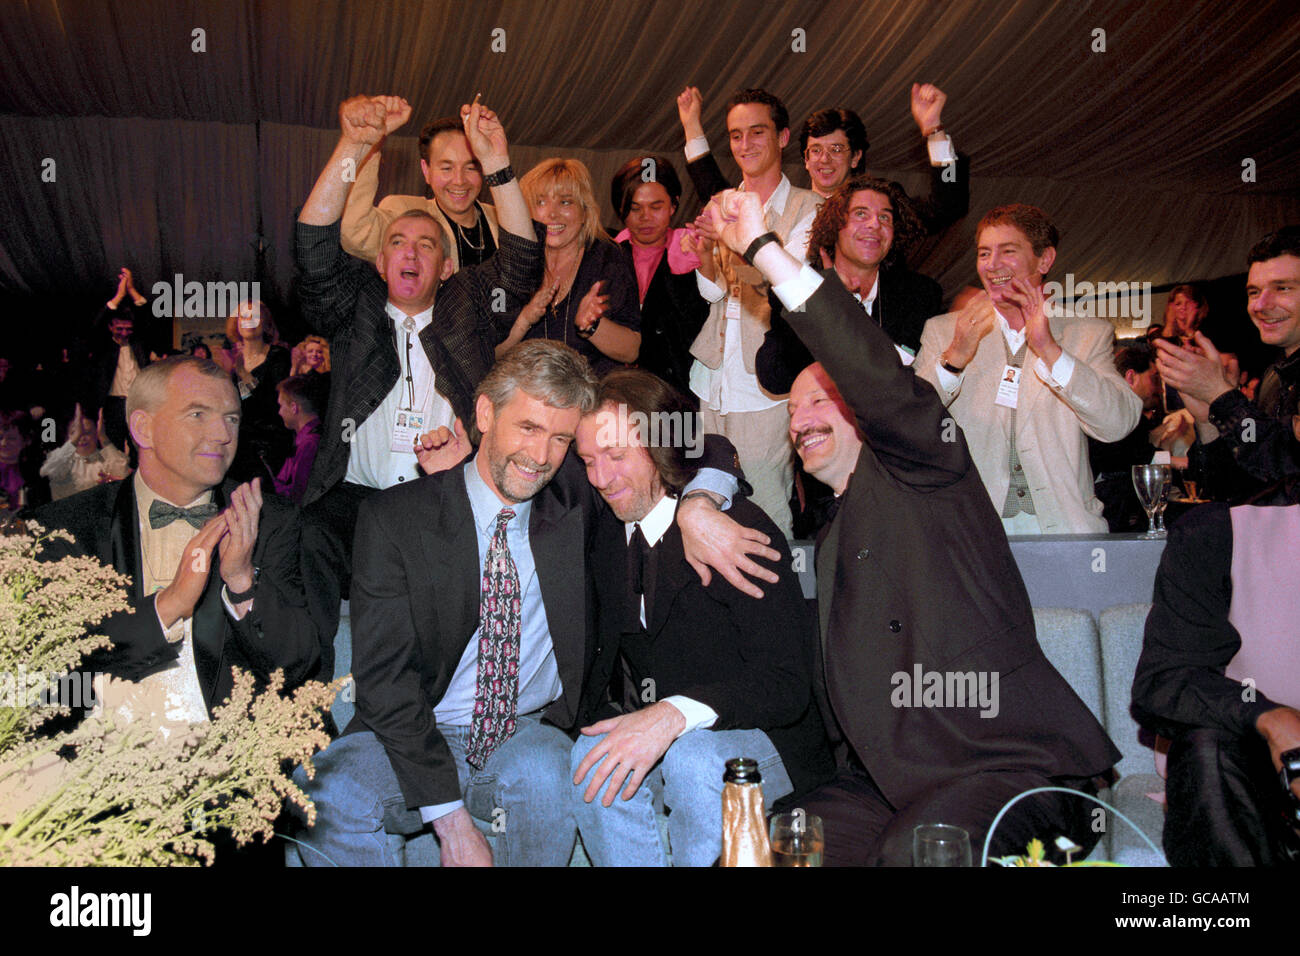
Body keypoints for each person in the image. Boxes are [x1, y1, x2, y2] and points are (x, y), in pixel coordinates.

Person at [705, 187, 1118, 865]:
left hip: (1010, 770)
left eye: (820, 401)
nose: (798, 418)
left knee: (919, 851)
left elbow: (878, 378)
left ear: (865, 414)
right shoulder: (832, 537)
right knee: (759, 850)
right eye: (790, 410)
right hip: (884, 786)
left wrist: (766, 252)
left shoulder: (929, 472)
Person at [290, 341, 756, 867]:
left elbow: (701, 441)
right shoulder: (394, 519)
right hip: (417, 730)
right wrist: (452, 825)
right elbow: (386, 683)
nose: (540, 456)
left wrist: (699, 504)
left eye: (560, 438)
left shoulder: (579, 500)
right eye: (529, 428)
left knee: (549, 774)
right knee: (327, 792)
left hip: (525, 731)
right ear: (484, 412)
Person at [294, 95, 542, 671]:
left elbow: (524, 263)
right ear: (380, 263)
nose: (411, 253)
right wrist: (354, 146)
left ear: (448, 266)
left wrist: (498, 162)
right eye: (398, 244)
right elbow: (312, 246)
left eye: (427, 245)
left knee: (429, 634)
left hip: (438, 499)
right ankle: (302, 706)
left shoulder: (467, 306)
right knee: (303, 537)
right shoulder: (355, 303)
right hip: (351, 503)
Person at [570, 369, 830, 866]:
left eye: (618, 456)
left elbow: (785, 686)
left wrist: (674, 716)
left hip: (768, 732)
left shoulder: (734, 530)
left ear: (662, 445)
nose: (602, 479)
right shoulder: (604, 530)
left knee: (695, 761)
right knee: (589, 760)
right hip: (662, 723)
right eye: (588, 461)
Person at [34, 357, 319, 731]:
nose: (222, 434)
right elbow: (50, 680)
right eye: (198, 415)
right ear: (143, 428)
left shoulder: (270, 521)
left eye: (232, 418)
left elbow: (298, 665)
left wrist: (241, 583)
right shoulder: (66, 529)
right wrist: (168, 607)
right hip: (98, 755)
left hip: (228, 760)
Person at [915, 204, 1141, 533]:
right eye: (983, 253)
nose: (992, 265)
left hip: (1064, 528)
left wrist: (1050, 350)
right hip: (972, 532)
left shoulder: (1087, 331)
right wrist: (954, 358)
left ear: (1045, 259)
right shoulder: (943, 331)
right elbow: (911, 425)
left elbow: (1117, 424)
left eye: (1008, 251)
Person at [679, 88, 822, 539]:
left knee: (765, 509)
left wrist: (734, 239)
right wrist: (704, 253)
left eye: (756, 132)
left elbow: (783, 288)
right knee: (709, 497)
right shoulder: (721, 203)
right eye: (736, 136)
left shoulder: (810, 208)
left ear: (781, 137)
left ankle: (777, 605)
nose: (745, 145)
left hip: (767, 384)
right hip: (714, 377)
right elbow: (711, 293)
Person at [1131, 494, 1300, 865]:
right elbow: (1168, 678)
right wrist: (1272, 718)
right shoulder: (1220, 530)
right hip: (1256, 779)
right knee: (1208, 745)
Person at [676, 83, 968, 236]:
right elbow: (716, 191)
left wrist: (933, 130)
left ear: (856, 157)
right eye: (815, 151)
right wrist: (692, 127)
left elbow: (948, 206)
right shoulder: (789, 204)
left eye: (837, 150)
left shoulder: (879, 206)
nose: (824, 160)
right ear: (803, 159)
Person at [756, 175, 943, 392]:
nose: (874, 224)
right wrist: (828, 304)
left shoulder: (919, 296)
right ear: (835, 226)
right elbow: (775, 378)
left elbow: (922, 382)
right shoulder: (802, 290)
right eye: (861, 214)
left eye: (884, 217)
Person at [1156, 226, 1300, 500]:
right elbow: (1237, 488)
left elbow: (1286, 472)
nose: (1261, 305)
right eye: (1254, 292)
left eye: (1282, 288)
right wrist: (1207, 418)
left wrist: (1221, 396)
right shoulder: (1274, 375)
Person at [493, 158, 641, 375]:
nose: (552, 214)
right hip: (526, 396)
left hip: (591, 396)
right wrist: (523, 320)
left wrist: (592, 326)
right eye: (541, 202)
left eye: (565, 202)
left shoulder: (608, 259)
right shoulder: (510, 263)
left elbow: (631, 351)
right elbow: (492, 354)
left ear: (585, 211)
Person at [341, 109, 500, 270]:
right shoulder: (405, 212)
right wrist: (369, 145)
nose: (459, 181)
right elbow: (354, 231)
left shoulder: (501, 219)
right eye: (446, 168)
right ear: (426, 170)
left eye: (471, 168)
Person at [608, 156, 708, 397]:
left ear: (673, 205)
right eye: (634, 208)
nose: (645, 217)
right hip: (614, 388)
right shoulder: (607, 255)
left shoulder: (694, 252)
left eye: (656, 207)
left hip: (676, 393)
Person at [223, 300, 293, 483]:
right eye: (243, 316)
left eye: (254, 316)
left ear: (266, 323)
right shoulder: (232, 360)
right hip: (238, 442)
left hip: (268, 445)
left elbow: (273, 402)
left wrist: (243, 374)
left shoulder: (278, 356)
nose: (248, 321)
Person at [39, 403, 130, 501]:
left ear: (97, 432)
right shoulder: (63, 462)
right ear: (68, 437)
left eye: (87, 433)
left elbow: (123, 476)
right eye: (75, 433)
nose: (81, 438)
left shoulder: (106, 459)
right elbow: (46, 471)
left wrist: (104, 439)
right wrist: (75, 440)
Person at [272, 375, 324, 504]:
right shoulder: (311, 435)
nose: (279, 412)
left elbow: (298, 495)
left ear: (294, 408)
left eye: (281, 406)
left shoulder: (310, 444)